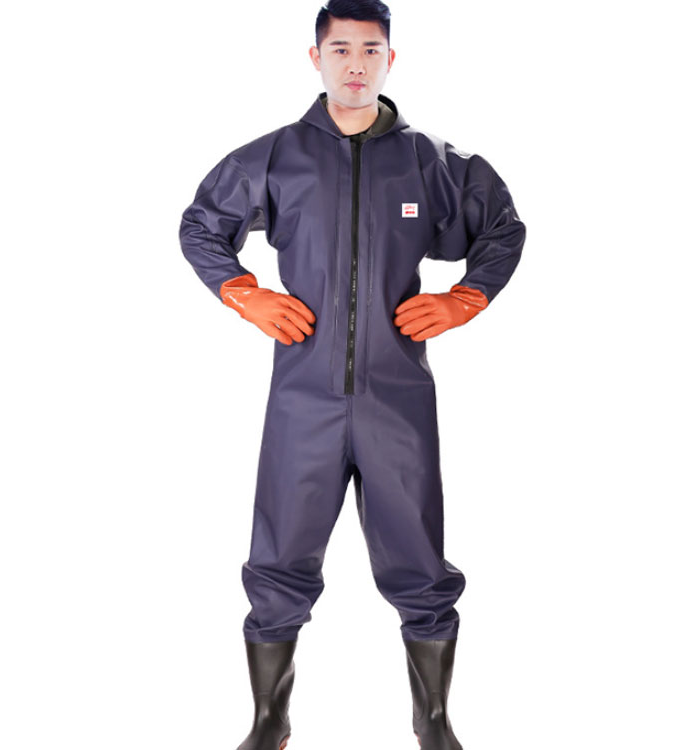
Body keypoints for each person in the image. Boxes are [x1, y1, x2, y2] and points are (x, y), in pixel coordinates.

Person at [178, 1, 526, 748]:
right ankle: (269, 719)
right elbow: (202, 223)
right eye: (341, 49)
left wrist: (467, 297)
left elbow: (502, 225)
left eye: (372, 50)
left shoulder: (433, 161)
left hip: (397, 394)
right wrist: (241, 292)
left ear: (391, 60)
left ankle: (433, 719)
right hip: (301, 395)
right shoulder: (276, 157)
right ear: (316, 58)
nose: (357, 63)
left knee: (419, 557)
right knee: (279, 555)